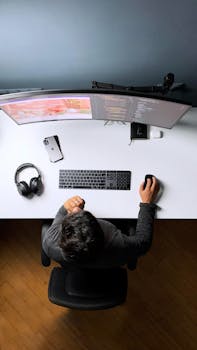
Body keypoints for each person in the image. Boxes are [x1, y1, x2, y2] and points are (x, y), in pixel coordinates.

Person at [42, 176, 160, 268]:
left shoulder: (50, 242)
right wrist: (147, 204)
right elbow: (143, 242)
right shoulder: (117, 243)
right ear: (101, 231)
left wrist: (65, 208)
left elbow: (61, 216)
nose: (77, 209)